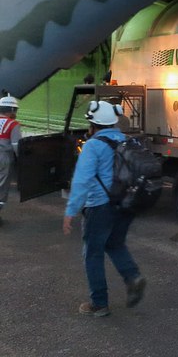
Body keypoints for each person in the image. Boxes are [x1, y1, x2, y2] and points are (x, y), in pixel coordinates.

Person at [63, 100, 146, 317]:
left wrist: (71, 210)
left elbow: (82, 180)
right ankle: (133, 277)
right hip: (126, 203)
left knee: (92, 252)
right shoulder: (127, 140)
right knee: (114, 243)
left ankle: (99, 303)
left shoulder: (93, 145)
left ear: (93, 125)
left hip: (100, 206)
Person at [0, 95, 22, 217]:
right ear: (12, 110)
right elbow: (16, 145)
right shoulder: (13, 124)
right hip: (4, 157)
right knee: (2, 186)